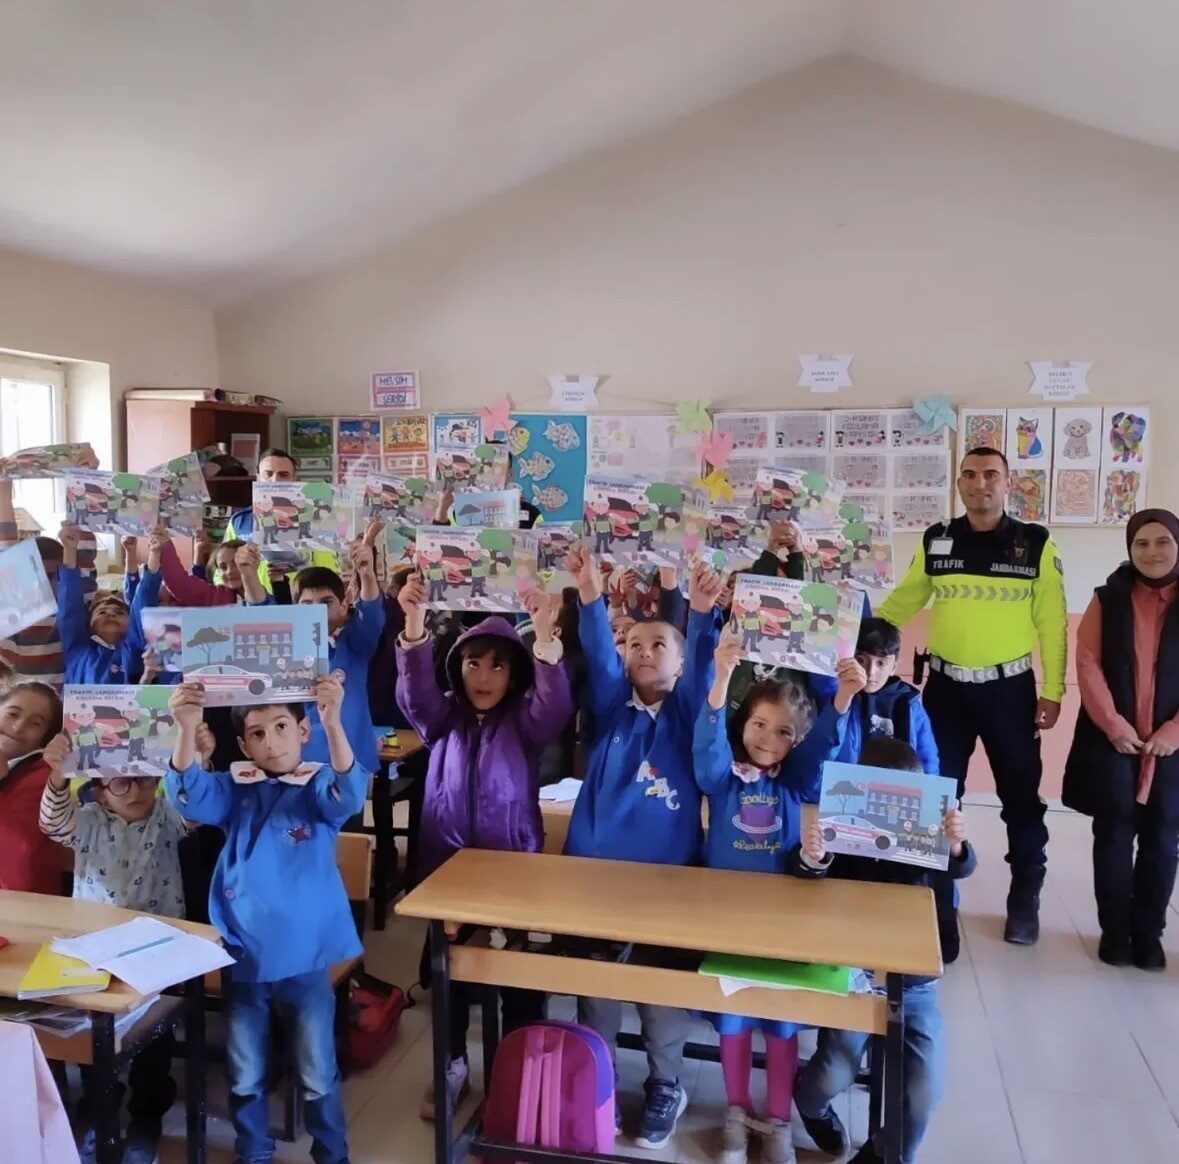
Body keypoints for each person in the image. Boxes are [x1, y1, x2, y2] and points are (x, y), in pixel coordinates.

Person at [164, 677, 364, 1164]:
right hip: (244, 953)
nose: (270, 742)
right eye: (257, 733)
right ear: (243, 744)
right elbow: (188, 796)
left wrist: (334, 723)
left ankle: (332, 1155)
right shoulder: (236, 786)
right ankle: (253, 1152)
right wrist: (185, 728)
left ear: (302, 731)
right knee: (245, 1071)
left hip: (306, 956)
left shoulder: (316, 785)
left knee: (317, 1071)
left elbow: (348, 796)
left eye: (281, 727)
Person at [563, 544, 722, 1150]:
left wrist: (700, 613)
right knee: (598, 989)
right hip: (596, 877)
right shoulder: (611, 710)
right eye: (635, 644)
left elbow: (703, 669)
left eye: (660, 645)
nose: (645, 652)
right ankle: (599, 1076)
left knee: (661, 995)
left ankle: (665, 1083)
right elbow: (598, 656)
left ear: (677, 664)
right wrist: (589, 593)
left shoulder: (686, 715)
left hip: (667, 882)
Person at [395, 577, 573, 1118]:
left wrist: (544, 640)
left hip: (511, 871)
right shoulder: (442, 718)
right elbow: (415, 697)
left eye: (498, 666)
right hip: (447, 870)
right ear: (459, 668)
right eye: (474, 663)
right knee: (450, 978)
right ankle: (452, 1063)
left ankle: (518, 1069)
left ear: (514, 674)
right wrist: (414, 627)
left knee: (518, 978)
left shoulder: (525, 721)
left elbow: (555, 706)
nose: (484, 676)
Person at [877, 447, 1067, 952]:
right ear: (959, 483)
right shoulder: (938, 539)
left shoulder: (1035, 543)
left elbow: (1052, 624)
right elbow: (903, 601)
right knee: (939, 797)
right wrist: (854, 631)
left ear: (1008, 483)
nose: (980, 483)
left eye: (991, 475)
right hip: (946, 692)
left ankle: (1024, 897)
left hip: (1011, 692)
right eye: (970, 475)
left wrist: (1053, 691)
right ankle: (939, 902)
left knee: (1021, 798)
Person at [695, 632, 865, 1164]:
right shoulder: (722, 779)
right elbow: (706, 750)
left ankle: (776, 1122)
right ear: (741, 724)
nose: (768, 739)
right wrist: (722, 678)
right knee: (732, 1023)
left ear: (796, 741)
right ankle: (736, 1112)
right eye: (759, 725)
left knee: (781, 1026)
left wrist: (843, 698)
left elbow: (821, 749)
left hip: (782, 926)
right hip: (727, 921)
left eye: (784, 732)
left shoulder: (795, 783)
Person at [789, 737, 976, 1164]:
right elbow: (804, 873)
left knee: (925, 1090)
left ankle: (888, 1153)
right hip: (854, 974)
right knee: (833, 1073)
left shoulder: (929, 837)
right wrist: (814, 854)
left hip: (914, 982)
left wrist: (956, 845)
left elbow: (961, 866)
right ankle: (811, 1108)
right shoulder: (843, 831)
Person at [38, 727, 208, 1164]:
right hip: (97, 950)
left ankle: (146, 1120)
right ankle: (100, 1116)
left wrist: (199, 758)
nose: (135, 792)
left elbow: (195, 810)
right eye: (119, 783)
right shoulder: (87, 822)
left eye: (145, 779)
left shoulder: (166, 817)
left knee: (154, 1043)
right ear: (98, 790)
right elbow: (52, 822)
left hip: (158, 951)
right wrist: (58, 774)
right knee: (96, 1041)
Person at [1063, 507, 1179, 972]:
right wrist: (1113, 724)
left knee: (1163, 837)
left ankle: (1148, 936)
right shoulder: (1108, 598)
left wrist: (1174, 731)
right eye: (1141, 543)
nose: (1152, 552)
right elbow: (1087, 662)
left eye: (1163, 541)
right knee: (1113, 833)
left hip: (1172, 745)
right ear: (1130, 548)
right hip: (1114, 739)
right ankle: (1114, 935)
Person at [292, 541, 385, 777]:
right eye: (307, 604)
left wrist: (367, 574)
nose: (317, 610)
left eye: (326, 602)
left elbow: (372, 614)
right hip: (301, 759)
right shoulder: (288, 646)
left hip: (353, 758)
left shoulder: (355, 642)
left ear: (343, 603)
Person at [1, 477, 98, 686]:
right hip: (16, 699)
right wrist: (3, 483)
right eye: (36, 576)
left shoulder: (75, 600)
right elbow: (4, 547)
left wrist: (85, 478)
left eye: (53, 576)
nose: (42, 584)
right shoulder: (11, 604)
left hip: (63, 699)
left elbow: (83, 554)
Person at [809, 618, 940, 773]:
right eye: (861, 660)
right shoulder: (836, 693)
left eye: (881, 663)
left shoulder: (908, 702)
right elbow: (816, 753)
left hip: (896, 785)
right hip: (845, 784)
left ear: (894, 666)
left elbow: (928, 763)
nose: (871, 672)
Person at [57, 522, 156, 685]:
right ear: (89, 624)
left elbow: (142, 602)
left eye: (119, 613)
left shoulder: (136, 649)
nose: (110, 614)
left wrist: (154, 553)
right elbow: (69, 608)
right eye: (101, 612)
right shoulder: (77, 648)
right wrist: (69, 549)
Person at [0, 681, 65, 894]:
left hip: (28, 904)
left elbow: (18, 872)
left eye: (35, 723)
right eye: (12, 714)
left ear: (46, 738)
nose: (18, 727)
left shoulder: (45, 777)